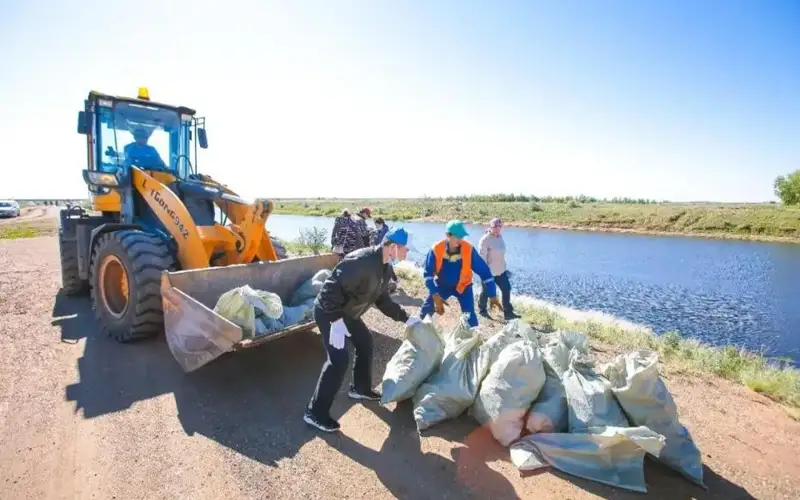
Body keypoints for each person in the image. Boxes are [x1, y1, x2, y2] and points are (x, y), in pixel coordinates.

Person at [305, 227, 420, 432]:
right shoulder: (361, 262)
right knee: (338, 360)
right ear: (394, 247)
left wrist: (406, 318)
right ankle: (315, 413)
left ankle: (360, 388)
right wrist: (335, 322)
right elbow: (329, 290)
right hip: (329, 312)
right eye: (406, 249)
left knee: (365, 342)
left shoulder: (385, 268)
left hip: (347, 313)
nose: (407, 254)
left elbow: (383, 300)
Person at [420, 220, 503, 328]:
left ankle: (473, 337)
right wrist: (435, 295)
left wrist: (492, 295)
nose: (460, 239)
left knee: (470, 317)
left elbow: (485, 273)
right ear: (447, 235)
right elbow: (428, 275)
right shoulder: (436, 249)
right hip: (442, 286)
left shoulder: (469, 249)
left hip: (464, 287)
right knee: (426, 309)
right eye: (457, 236)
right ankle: (419, 332)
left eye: (462, 236)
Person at [478, 218, 520, 320]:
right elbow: (481, 258)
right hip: (489, 273)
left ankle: (508, 313)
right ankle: (482, 310)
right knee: (486, 292)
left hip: (501, 271)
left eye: (499, 227)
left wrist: (504, 267)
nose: (497, 229)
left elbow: (501, 254)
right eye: (495, 227)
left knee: (506, 289)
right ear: (490, 227)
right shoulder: (485, 239)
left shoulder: (500, 237)